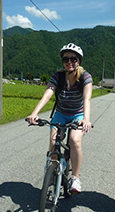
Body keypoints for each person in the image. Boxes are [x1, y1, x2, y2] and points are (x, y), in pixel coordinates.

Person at [26, 43, 93, 193]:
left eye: (73, 59)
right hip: (61, 113)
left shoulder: (84, 76)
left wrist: (86, 119)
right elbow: (48, 93)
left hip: (77, 114)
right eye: (66, 59)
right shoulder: (58, 76)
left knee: (75, 140)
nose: (69, 62)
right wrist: (34, 113)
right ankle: (53, 169)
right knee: (54, 140)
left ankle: (75, 178)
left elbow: (87, 98)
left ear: (79, 61)